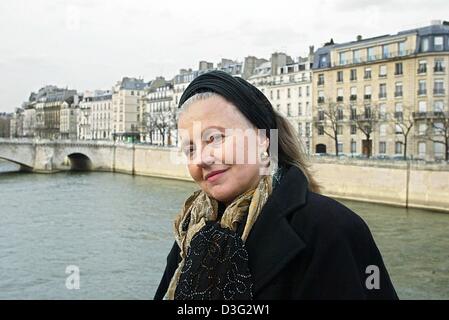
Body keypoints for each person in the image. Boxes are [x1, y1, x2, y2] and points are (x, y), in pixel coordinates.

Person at [154, 70, 398, 300]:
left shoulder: (332, 228)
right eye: (190, 149)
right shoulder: (193, 231)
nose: (201, 159)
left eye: (214, 138)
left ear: (263, 140)